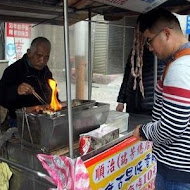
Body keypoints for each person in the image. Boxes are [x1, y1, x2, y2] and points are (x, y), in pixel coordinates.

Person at [133, 8, 190, 190]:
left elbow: (172, 127)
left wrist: (143, 131)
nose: (149, 48)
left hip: (177, 172)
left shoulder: (180, 68)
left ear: (166, 33)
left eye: (150, 40)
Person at [0, 37, 53, 128]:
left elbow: (52, 95)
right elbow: (2, 97)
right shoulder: (13, 70)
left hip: (43, 118)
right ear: (29, 53)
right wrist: (16, 90)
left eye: (46, 57)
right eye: (39, 56)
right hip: (19, 121)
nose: (42, 61)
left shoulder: (46, 72)